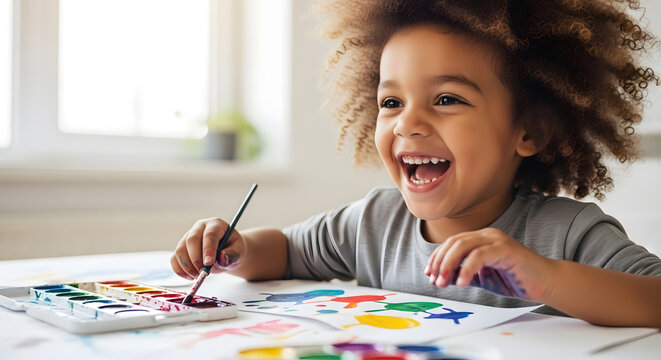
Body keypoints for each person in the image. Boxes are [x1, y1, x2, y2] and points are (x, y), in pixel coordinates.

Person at [171, 0, 661, 328]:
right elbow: (284, 250)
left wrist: (544, 276)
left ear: (527, 130)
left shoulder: (567, 232)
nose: (408, 123)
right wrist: (232, 249)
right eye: (391, 103)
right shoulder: (373, 222)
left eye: (446, 99)